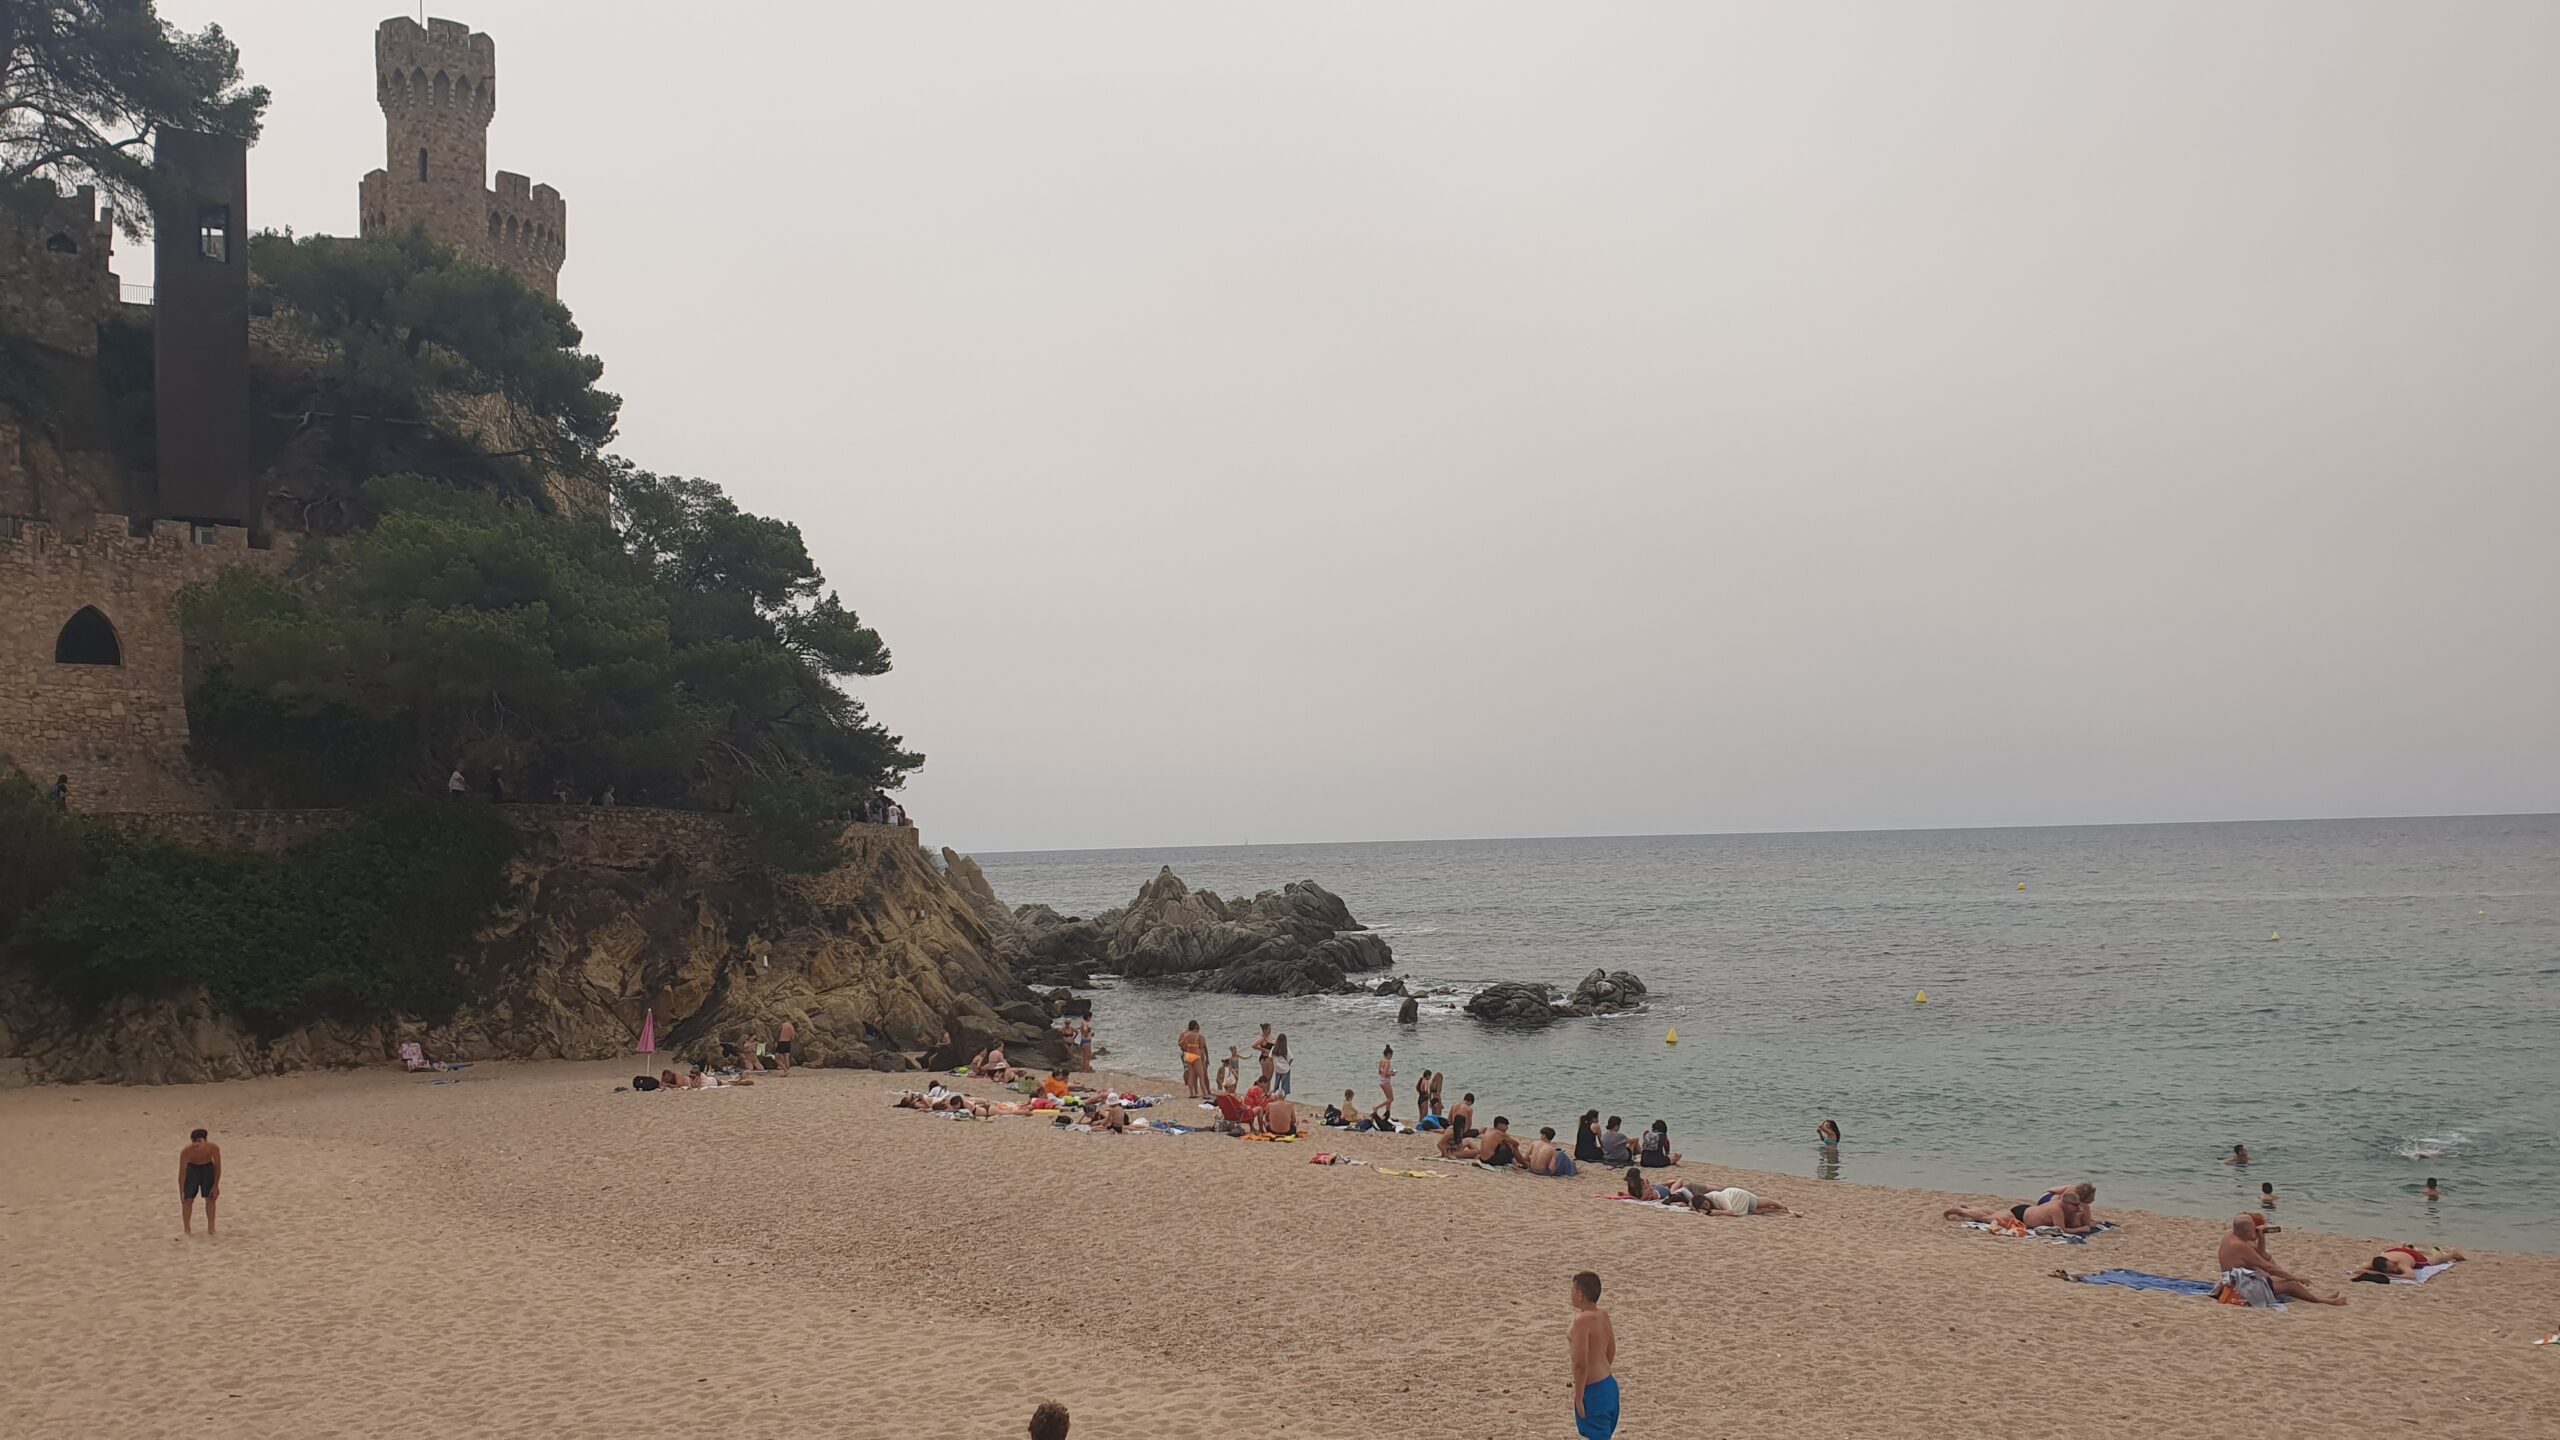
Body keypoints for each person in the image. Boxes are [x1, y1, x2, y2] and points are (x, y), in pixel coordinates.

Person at [2217, 1214, 2344, 1304]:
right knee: (2291, 1284)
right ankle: (2322, 1301)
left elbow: (2261, 1254)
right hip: (2241, 1287)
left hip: (2240, 1281)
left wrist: (2261, 1237)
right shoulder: (2240, 1246)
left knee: (2281, 1279)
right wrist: (2296, 1278)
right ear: (2247, 1231)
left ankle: (2319, 1297)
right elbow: (2269, 1267)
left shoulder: (2231, 1237)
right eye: (2253, 1228)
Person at [1567, 1271, 1618, 1440]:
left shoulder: (1582, 1321)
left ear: (1580, 1294)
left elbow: (1580, 1364)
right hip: (1609, 1385)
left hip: (1594, 1391)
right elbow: (1611, 1350)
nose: (1571, 1294)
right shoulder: (1603, 1315)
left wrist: (1579, 1397)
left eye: (1572, 1290)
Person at [179, 1128, 221, 1235]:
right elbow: (182, 1171)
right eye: (194, 1141)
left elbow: (218, 1167)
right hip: (192, 1170)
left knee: (210, 1198)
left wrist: (216, 1185)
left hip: (208, 1169)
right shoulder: (186, 1152)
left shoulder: (213, 1148)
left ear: (205, 1140)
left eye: (199, 1141)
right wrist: (181, 1189)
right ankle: (187, 1229)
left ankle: (211, 1228)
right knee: (187, 1200)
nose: (196, 1144)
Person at [2357, 1244, 2466, 1280]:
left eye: (2393, 1267)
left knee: (2434, 1261)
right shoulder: (2373, 1263)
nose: (2395, 1270)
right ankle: (2408, 1248)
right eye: (2391, 1270)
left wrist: (2388, 1274)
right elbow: (2358, 1270)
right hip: (2394, 1251)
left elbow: (2412, 1276)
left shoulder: (2400, 1264)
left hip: (2411, 1257)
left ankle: (2453, 1254)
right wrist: (2378, 1273)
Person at [1179, 1021, 1210, 1099]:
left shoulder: (1185, 1035)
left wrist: (1187, 1047)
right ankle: (1205, 1094)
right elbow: (1201, 1045)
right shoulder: (1197, 1036)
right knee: (1201, 1075)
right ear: (1195, 1027)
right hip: (1196, 1055)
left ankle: (1192, 1093)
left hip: (1188, 1055)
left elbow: (1181, 1044)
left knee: (1191, 1075)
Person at [1378, 1044, 1396, 1116]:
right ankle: (1376, 1107)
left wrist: (1389, 1071)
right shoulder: (1387, 1061)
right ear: (1388, 1054)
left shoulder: (1381, 1061)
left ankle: (1387, 1114)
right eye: (1391, 1055)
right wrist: (1392, 1073)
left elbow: (1379, 1072)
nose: (1391, 1057)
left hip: (1381, 1080)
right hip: (1386, 1081)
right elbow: (1385, 1072)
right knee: (1391, 1099)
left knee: (1388, 1099)